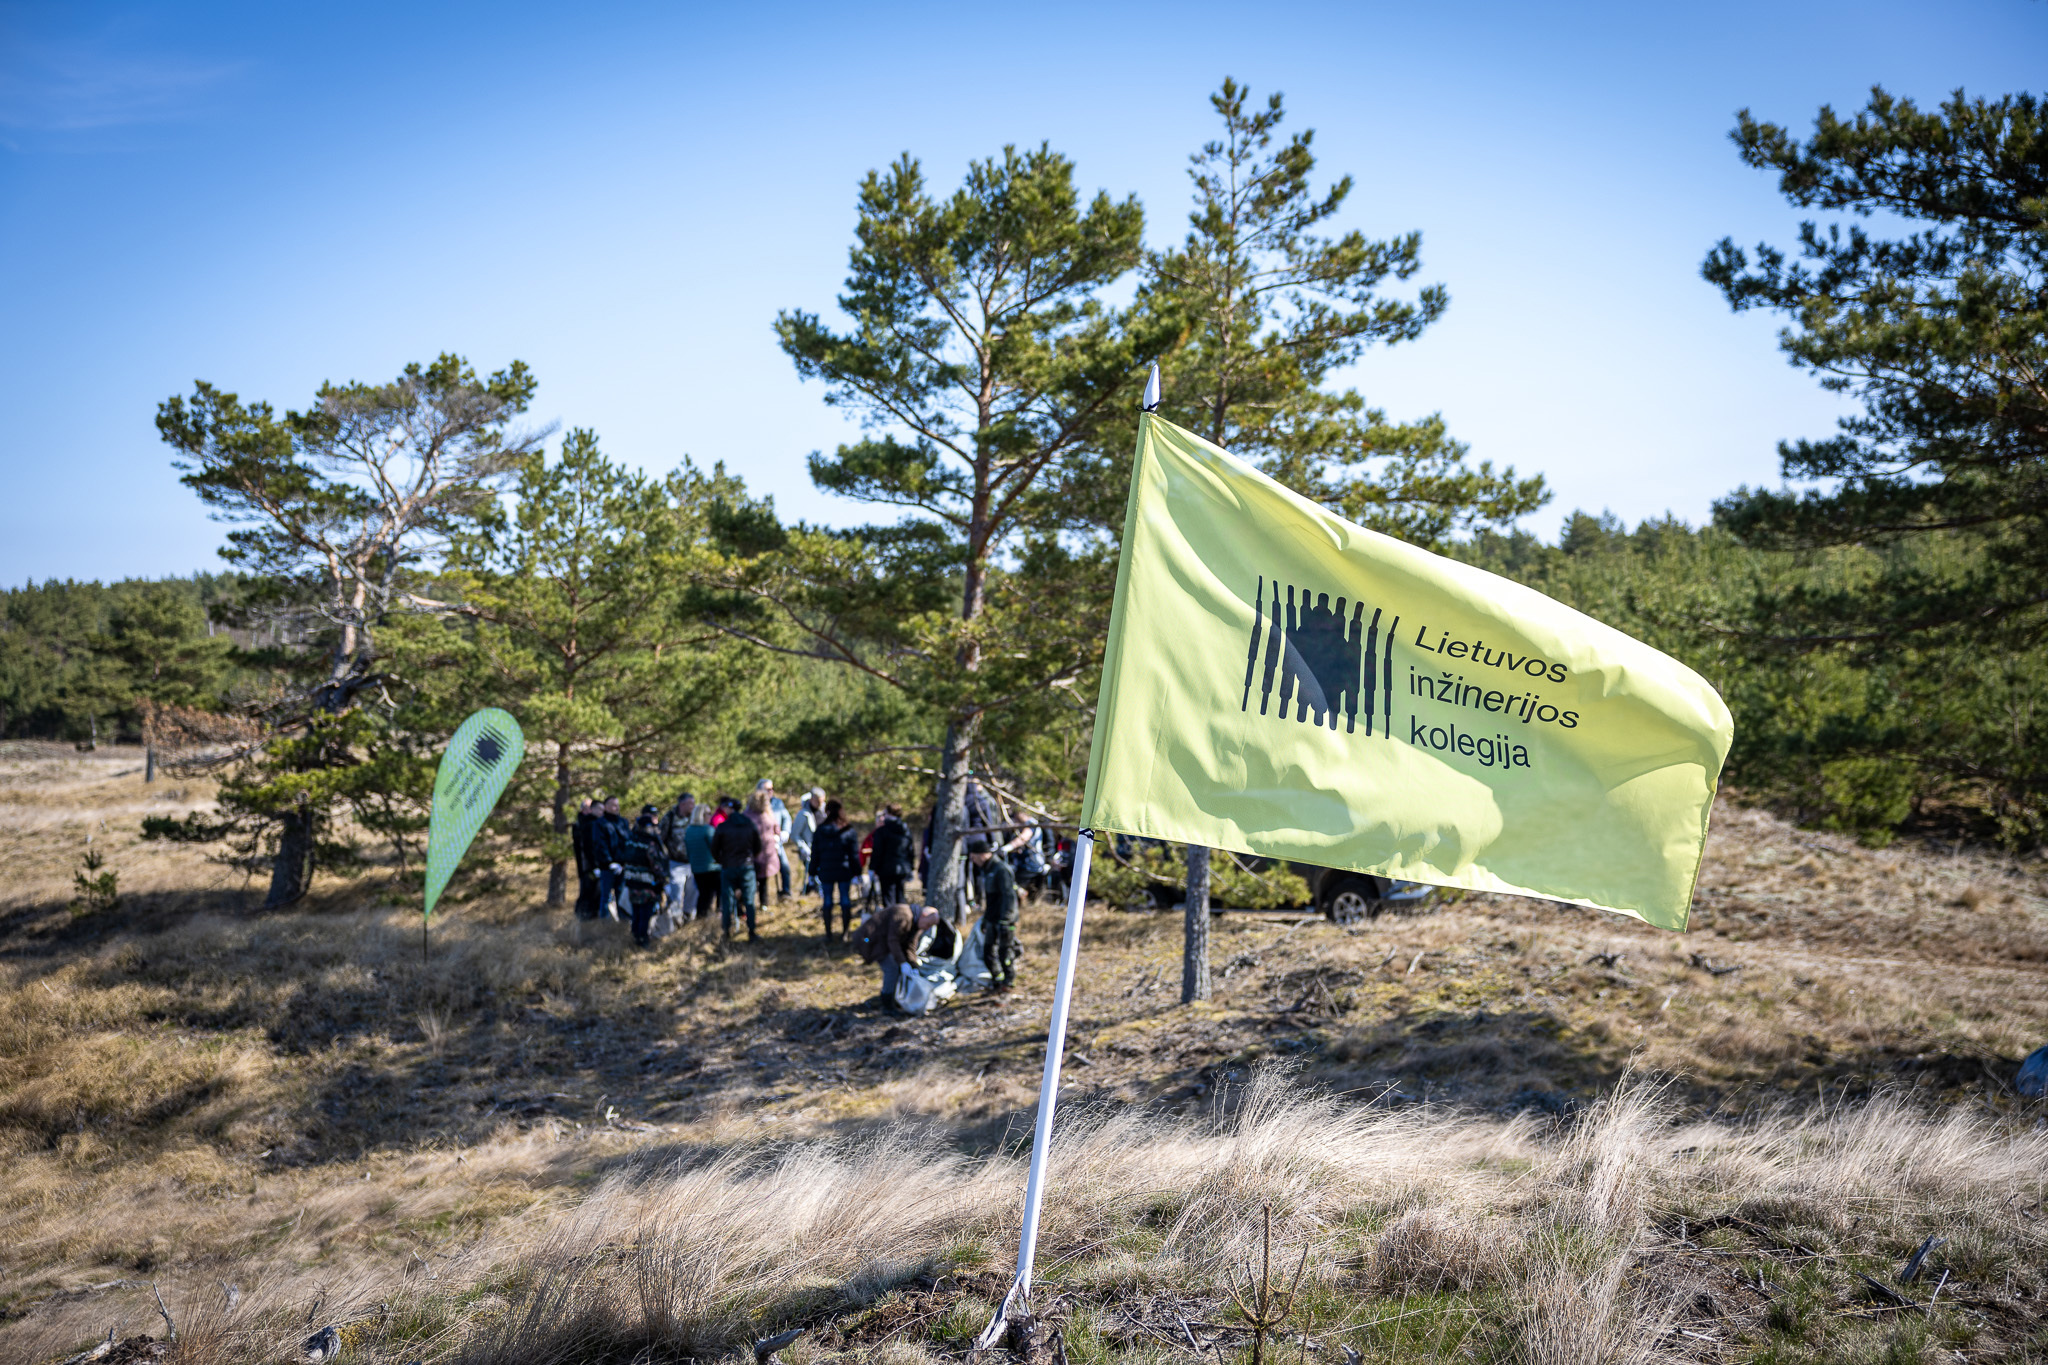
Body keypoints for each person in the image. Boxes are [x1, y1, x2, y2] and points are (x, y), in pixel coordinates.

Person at [968, 835, 1019, 991]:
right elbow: (990, 900)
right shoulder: (987, 869)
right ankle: (997, 980)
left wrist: (1006, 920)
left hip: (1004, 920)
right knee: (988, 952)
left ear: (982, 854)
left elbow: (1009, 896)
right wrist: (985, 920)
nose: (973, 861)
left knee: (1005, 952)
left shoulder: (1001, 869)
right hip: (992, 918)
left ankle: (1008, 982)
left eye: (974, 857)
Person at [870, 902, 940, 1009]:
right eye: (928, 924)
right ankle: (887, 1004)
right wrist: (902, 963)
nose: (927, 928)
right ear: (924, 916)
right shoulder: (904, 916)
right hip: (872, 940)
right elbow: (893, 941)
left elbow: (910, 946)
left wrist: (913, 965)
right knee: (892, 968)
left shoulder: (916, 924)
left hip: (885, 943)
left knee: (899, 968)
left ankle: (896, 999)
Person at [710, 795, 761, 940]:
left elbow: (714, 849)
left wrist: (722, 860)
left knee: (727, 900)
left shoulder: (723, 826)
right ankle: (752, 932)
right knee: (749, 899)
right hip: (746, 866)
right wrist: (750, 859)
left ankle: (726, 932)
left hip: (729, 867)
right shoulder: (749, 824)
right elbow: (758, 846)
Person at [809, 799, 859, 944]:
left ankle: (828, 934)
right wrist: (857, 872)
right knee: (845, 901)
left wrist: (812, 872)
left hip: (826, 871)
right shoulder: (848, 830)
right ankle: (844, 933)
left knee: (828, 902)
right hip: (844, 871)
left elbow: (815, 854)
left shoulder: (820, 830)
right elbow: (854, 855)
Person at [621, 805, 670, 946]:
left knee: (636, 912)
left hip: (632, 884)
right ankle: (642, 939)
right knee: (645, 913)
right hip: (647, 886)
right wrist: (664, 880)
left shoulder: (631, 840)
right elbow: (656, 865)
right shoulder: (650, 843)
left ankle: (636, 935)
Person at [592, 795, 633, 921]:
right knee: (606, 896)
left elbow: (628, 842)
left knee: (622, 895)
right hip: (607, 867)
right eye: (613, 805)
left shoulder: (623, 822)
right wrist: (609, 862)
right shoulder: (600, 823)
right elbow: (600, 844)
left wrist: (625, 862)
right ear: (606, 807)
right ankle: (605, 923)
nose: (616, 808)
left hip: (622, 866)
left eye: (617, 805)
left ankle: (623, 922)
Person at [870, 803, 914, 908]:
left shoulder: (882, 831)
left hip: (886, 870)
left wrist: (872, 868)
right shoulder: (905, 830)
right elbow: (910, 850)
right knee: (900, 898)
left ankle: (891, 922)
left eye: (884, 813)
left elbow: (877, 851)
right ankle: (902, 921)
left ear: (889, 813)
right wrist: (911, 867)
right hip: (902, 868)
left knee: (889, 900)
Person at [746, 789, 784, 910]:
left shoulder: (768, 813)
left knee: (763, 880)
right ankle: (749, 904)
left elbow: (776, 828)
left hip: (768, 852)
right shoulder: (748, 815)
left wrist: (777, 838)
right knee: (752, 880)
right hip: (752, 853)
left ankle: (764, 904)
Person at [660, 792, 696, 915]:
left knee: (693, 891)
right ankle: (673, 917)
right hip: (675, 862)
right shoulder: (669, 817)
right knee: (676, 892)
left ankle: (688, 915)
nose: (693, 806)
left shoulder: (695, 817)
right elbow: (660, 839)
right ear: (682, 804)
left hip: (692, 862)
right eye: (690, 803)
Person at [682, 804, 717, 922]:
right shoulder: (708, 829)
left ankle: (701, 918)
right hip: (712, 868)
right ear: (702, 815)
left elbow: (688, 850)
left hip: (696, 869)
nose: (710, 815)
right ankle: (714, 918)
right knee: (712, 895)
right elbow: (716, 848)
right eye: (708, 813)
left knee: (703, 895)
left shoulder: (689, 830)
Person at [790, 786, 826, 895]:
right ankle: (815, 892)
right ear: (812, 799)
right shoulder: (803, 814)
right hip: (810, 850)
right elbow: (795, 835)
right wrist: (804, 848)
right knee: (815, 874)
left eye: (822, 801)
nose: (820, 804)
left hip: (824, 849)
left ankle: (817, 892)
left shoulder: (824, 812)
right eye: (818, 802)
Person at [571, 798, 600, 920]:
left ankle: (592, 917)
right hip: (586, 867)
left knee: (595, 893)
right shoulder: (580, 825)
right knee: (586, 892)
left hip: (593, 865)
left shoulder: (595, 823)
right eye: (589, 807)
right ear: (583, 809)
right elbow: (584, 848)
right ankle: (582, 917)